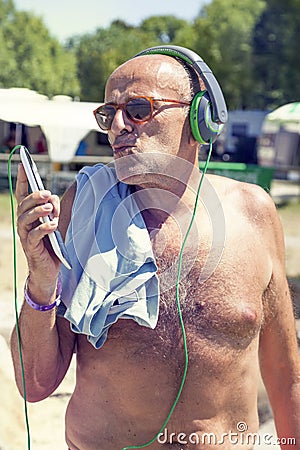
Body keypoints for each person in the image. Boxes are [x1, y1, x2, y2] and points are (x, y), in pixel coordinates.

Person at [11, 46, 299, 450]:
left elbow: (285, 373)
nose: (117, 127)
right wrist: (41, 282)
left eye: (139, 109)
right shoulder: (84, 205)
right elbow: (35, 384)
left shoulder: (255, 212)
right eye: (109, 114)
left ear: (200, 119)